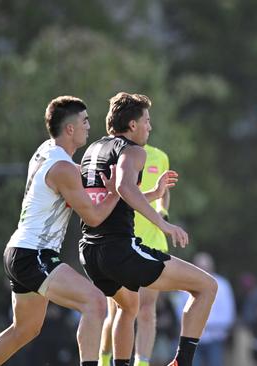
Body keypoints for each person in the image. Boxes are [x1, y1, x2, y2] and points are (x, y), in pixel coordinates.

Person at [0, 96, 121, 366]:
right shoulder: (64, 168)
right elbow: (94, 217)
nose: (89, 126)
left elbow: (77, 180)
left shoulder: (47, 150)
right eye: (85, 121)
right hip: (34, 254)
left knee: (25, 329)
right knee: (96, 303)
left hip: (19, 251)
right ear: (69, 129)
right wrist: (113, 193)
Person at [79, 92, 217, 366]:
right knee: (206, 286)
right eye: (147, 121)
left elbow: (115, 193)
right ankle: (183, 362)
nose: (149, 127)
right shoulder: (133, 150)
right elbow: (123, 187)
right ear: (132, 125)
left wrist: (153, 193)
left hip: (90, 250)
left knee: (128, 307)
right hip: (119, 250)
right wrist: (163, 223)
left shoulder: (93, 149)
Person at [98, 143, 172, 366]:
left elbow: (164, 191)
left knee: (147, 309)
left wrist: (163, 212)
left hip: (152, 241)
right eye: (144, 120)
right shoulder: (116, 153)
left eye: (148, 121)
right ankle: (104, 359)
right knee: (119, 310)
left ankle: (141, 363)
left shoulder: (159, 155)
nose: (147, 126)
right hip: (123, 241)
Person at [173, 252, 236, 366]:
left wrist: (199, 323)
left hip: (215, 339)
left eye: (206, 267)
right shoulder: (185, 285)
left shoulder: (222, 286)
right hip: (190, 338)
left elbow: (227, 317)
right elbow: (179, 312)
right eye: (200, 267)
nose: (203, 271)